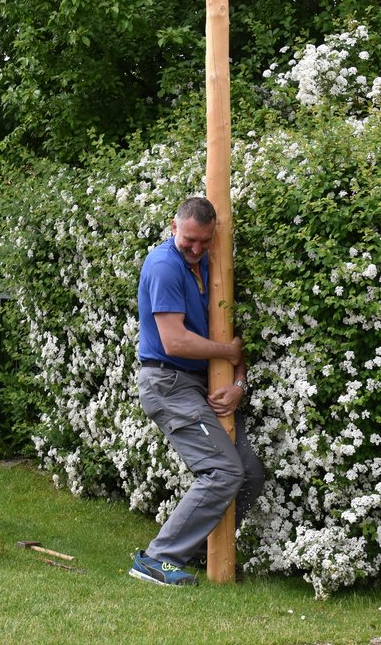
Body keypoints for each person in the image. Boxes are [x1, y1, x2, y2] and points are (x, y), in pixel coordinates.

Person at [129, 196, 265, 586]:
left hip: (206, 382)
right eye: (189, 239)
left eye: (204, 241)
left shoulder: (214, 264)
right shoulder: (163, 266)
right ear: (174, 227)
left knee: (250, 474)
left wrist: (238, 383)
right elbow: (176, 343)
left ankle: (195, 553)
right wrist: (227, 353)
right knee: (223, 470)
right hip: (168, 383)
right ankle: (157, 558)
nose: (196, 248)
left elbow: (233, 337)